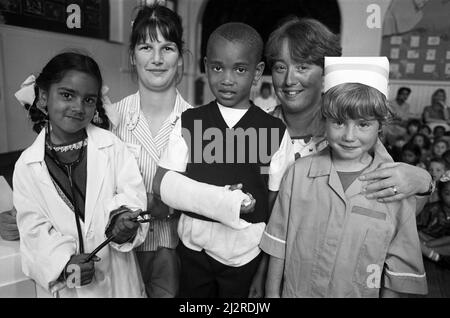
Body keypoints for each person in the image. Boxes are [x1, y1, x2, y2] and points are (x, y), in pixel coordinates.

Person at [261, 56, 427, 298]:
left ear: (380, 126)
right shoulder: (298, 174)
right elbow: (278, 241)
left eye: (363, 124)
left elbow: (398, 267)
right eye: (338, 122)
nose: (349, 136)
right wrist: (271, 294)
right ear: (324, 120)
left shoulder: (391, 185)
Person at [153, 22, 293, 298]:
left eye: (240, 69)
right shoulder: (190, 121)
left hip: (245, 255)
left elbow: (275, 203)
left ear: (258, 72)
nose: (227, 79)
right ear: (206, 66)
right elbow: (163, 184)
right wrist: (223, 201)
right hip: (194, 250)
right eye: (217, 68)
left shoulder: (274, 132)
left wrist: (263, 270)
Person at [12, 52, 148, 297]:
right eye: (67, 95)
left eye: (88, 100)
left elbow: (132, 194)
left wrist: (122, 220)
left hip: (119, 284)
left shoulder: (112, 146)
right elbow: (34, 232)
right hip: (68, 289)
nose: (78, 107)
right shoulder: (27, 166)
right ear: (43, 97)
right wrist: (65, 265)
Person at [264, 17, 433, 203]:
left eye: (302, 67)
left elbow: (394, 195)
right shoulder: (254, 125)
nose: (289, 80)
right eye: (280, 67)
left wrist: (424, 181)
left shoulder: (347, 134)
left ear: (325, 74)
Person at [110, 4, 191, 298]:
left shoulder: (199, 123)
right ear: (132, 55)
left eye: (167, 48)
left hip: (179, 253)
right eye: (146, 47)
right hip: (119, 255)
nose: (157, 59)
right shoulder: (110, 120)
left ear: (180, 55)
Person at [417, 171, 450, 264]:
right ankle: (435, 256)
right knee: (411, 240)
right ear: (440, 194)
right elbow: (414, 228)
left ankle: (428, 252)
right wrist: (425, 243)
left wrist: (431, 244)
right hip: (423, 237)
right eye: (448, 194)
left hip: (439, 242)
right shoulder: (432, 209)